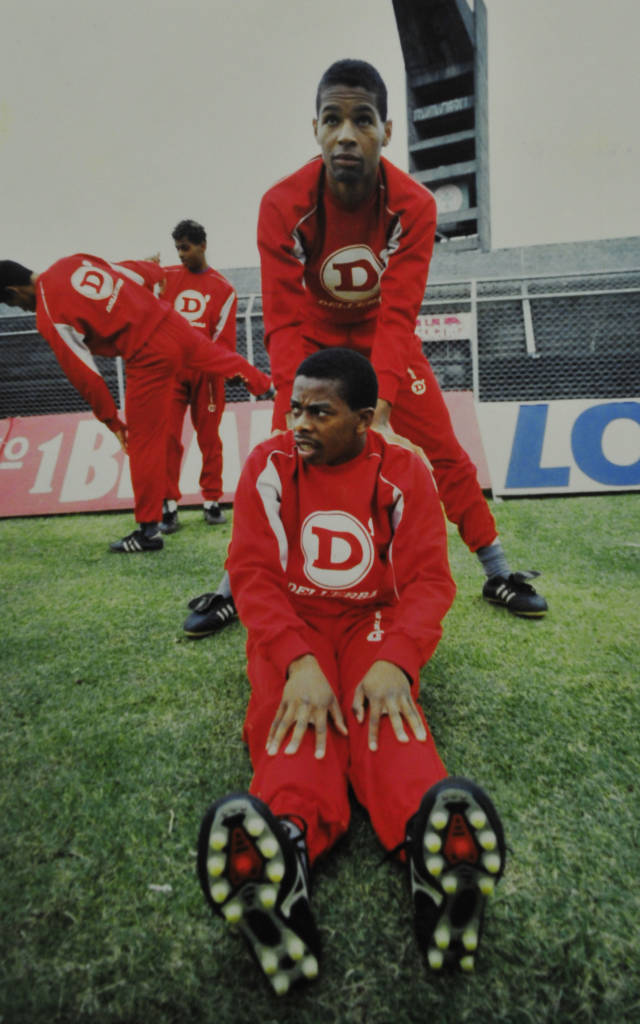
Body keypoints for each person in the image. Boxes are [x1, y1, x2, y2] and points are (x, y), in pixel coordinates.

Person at [183, 57, 546, 637]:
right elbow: (281, 320)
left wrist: (381, 407)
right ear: (316, 129)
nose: (346, 135)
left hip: (382, 338)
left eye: (363, 120)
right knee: (281, 453)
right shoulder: (282, 204)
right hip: (314, 341)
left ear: (387, 131)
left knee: (445, 451)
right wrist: (295, 401)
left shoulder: (415, 205)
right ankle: (232, 588)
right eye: (332, 120)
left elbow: (399, 315)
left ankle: (497, 570)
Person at [196, 348, 506, 995]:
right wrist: (297, 661)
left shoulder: (403, 470)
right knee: (294, 718)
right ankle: (282, 850)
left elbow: (428, 580)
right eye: (294, 409)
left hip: (374, 621)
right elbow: (251, 573)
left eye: (320, 412)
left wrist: (396, 658)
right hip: (295, 620)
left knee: (385, 713)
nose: (299, 424)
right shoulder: (269, 465)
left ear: (364, 419)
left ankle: (435, 852)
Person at [0, 256, 271, 551]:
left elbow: (85, 375)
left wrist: (112, 420)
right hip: (170, 322)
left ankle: (148, 532)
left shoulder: (49, 312)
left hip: (145, 354)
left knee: (143, 442)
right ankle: (271, 387)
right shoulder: (72, 262)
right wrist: (153, 272)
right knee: (219, 357)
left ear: (13, 291)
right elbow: (136, 272)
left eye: (13, 303)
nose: (22, 308)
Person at [159, 220, 238, 534]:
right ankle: (168, 505)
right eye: (178, 248)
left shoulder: (224, 288)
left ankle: (212, 500)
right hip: (172, 371)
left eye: (186, 248)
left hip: (206, 373)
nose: (181, 254)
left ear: (202, 245)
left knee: (209, 437)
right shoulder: (165, 278)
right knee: (167, 437)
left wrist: (221, 367)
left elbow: (224, 339)